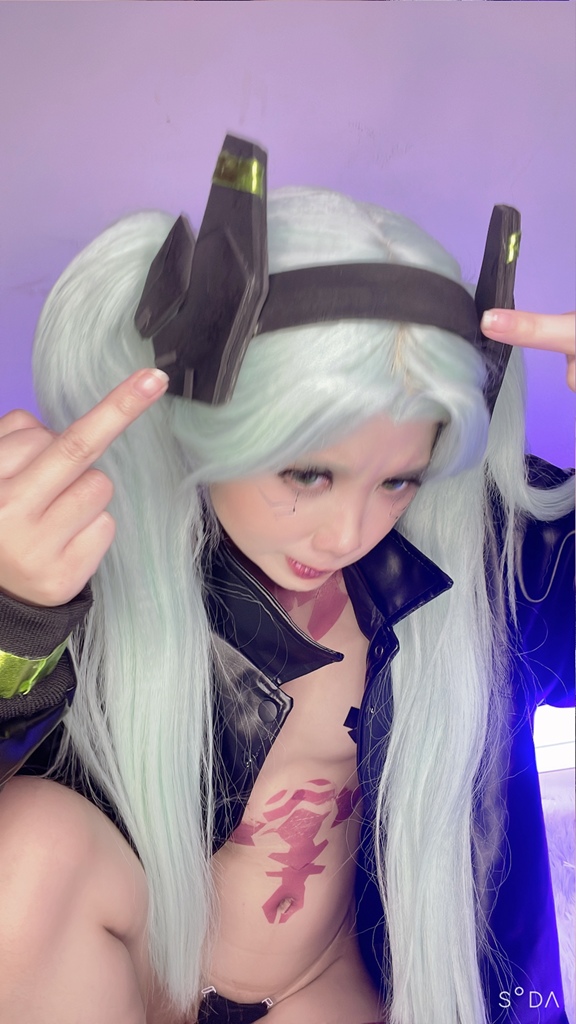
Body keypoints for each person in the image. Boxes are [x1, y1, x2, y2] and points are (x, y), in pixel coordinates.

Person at [0, 137, 573, 1024]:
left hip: (325, 988)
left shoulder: (489, 557)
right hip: (123, 966)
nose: (347, 533)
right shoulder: (98, 539)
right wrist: (15, 614)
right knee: (27, 855)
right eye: (308, 473)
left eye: (399, 479)